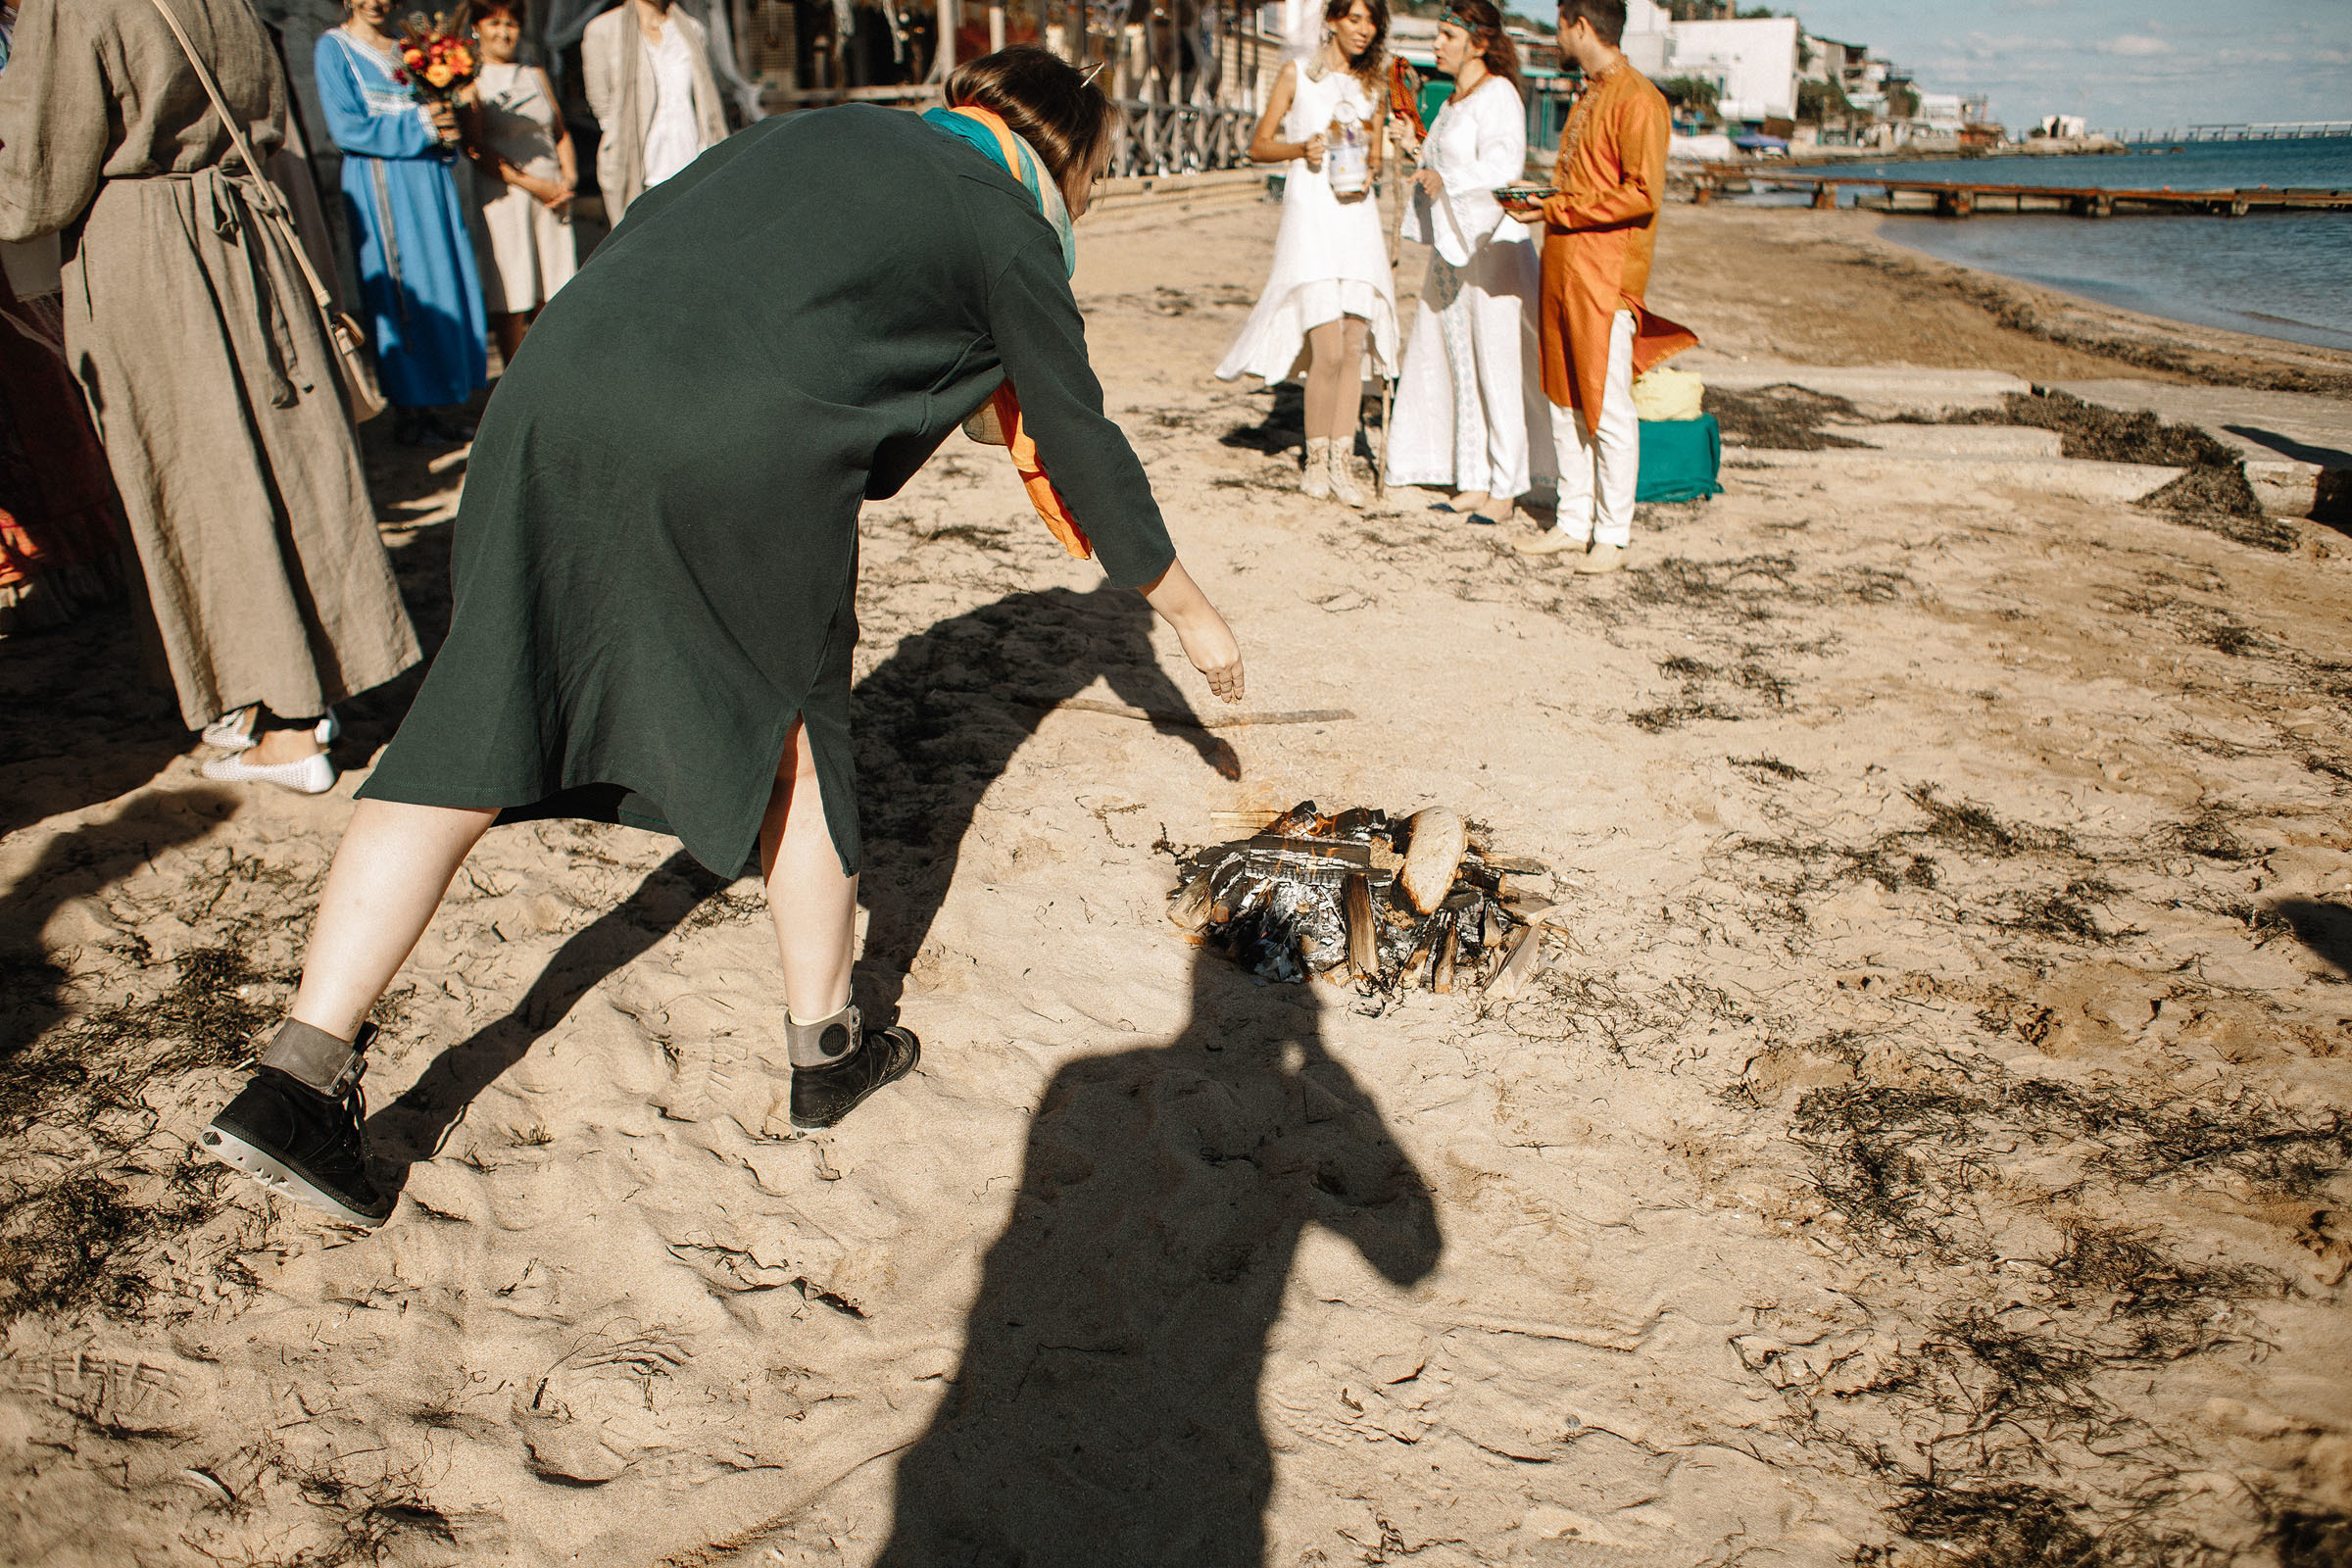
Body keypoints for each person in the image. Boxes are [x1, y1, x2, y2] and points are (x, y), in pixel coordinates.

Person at [193, 47, 1248, 1231]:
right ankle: (827, 1044)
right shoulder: (1008, 219)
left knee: (471, 716)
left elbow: (650, 219)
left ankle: (298, 1071)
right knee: (795, 731)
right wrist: (1196, 618)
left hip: (551, 398)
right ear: (1073, 157)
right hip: (734, 453)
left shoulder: (821, 129)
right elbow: (1081, 440)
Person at [0, 0, 419, 787]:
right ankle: (293, 693)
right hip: (244, 233)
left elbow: (40, 177)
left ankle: (285, 727)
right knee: (282, 465)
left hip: (150, 249)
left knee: (197, 482)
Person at [1501, 0, 1692, 572]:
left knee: (1606, 409)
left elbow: (1642, 194)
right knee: (1563, 403)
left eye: (1559, 25)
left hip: (1605, 277)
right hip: (1561, 266)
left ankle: (1611, 533)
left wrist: (1555, 206)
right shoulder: (1587, 93)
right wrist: (1545, 204)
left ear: (1580, 26)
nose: (1557, 36)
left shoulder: (1639, 99)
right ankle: (1572, 520)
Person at [1215, 0, 1396, 508]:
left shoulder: (1373, 84)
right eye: (1354, 19)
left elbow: (1376, 156)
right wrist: (1302, 148)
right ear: (1333, 20)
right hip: (1312, 217)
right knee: (1330, 348)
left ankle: (1343, 462)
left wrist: (1372, 164)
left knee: (1355, 345)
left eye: (1371, 21)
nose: (1364, 30)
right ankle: (1317, 459)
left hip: (1356, 215)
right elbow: (1258, 145)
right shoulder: (1297, 74)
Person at [1382, 0, 1537, 525]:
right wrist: (1416, 145)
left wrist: (1448, 181)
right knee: (1457, 357)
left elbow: (1502, 168)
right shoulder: (1452, 102)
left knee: (1496, 363)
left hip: (1492, 250)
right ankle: (1475, 477)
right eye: (1439, 33)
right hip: (1455, 250)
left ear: (1479, 43)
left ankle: (1507, 485)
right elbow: (1442, 162)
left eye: (1448, 34)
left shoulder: (1500, 97)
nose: (1437, 43)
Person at [316, 0, 491, 446]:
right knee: (402, 287)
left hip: (427, 177)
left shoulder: (410, 50)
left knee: (441, 279)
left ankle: (440, 398)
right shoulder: (334, 49)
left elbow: (436, 110)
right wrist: (422, 126)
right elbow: (347, 129)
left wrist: (446, 127)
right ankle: (411, 410)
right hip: (383, 181)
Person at [461, 0, 576, 365]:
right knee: (513, 289)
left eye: (511, 23)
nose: (505, 32)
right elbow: (476, 148)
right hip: (508, 192)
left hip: (553, 190)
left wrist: (567, 179)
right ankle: (514, 376)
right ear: (477, 27)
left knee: (553, 284)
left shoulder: (534, 73)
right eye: (495, 23)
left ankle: (551, 368)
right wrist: (533, 185)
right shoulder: (470, 81)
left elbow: (559, 132)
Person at [581, 0, 727, 225]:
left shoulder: (692, 29)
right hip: (639, 171)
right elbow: (601, 102)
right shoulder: (602, 30)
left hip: (693, 165)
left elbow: (706, 101)